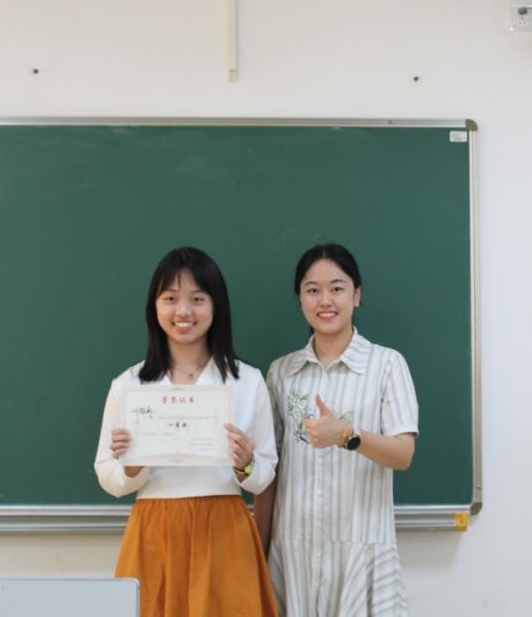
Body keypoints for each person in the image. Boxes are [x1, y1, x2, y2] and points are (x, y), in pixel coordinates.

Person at [94, 246, 278, 617]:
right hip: (154, 530)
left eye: (197, 299)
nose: (183, 312)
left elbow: (264, 475)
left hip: (224, 529)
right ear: (154, 306)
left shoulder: (247, 381)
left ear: (216, 306)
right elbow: (107, 474)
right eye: (170, 298)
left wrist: (245, 463)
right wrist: (131, 468)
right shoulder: (129, 384)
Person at [255, 243, 419, 617]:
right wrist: (260, 552)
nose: (325, 300)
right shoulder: (282, 373)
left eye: (337, 288)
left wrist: (347, 435)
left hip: (361, 551)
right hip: (293, 553)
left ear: (356, 295)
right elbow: (268, 475)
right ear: (300, 299)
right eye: (312, 289)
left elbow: (403, 454)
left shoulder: (386, 365)